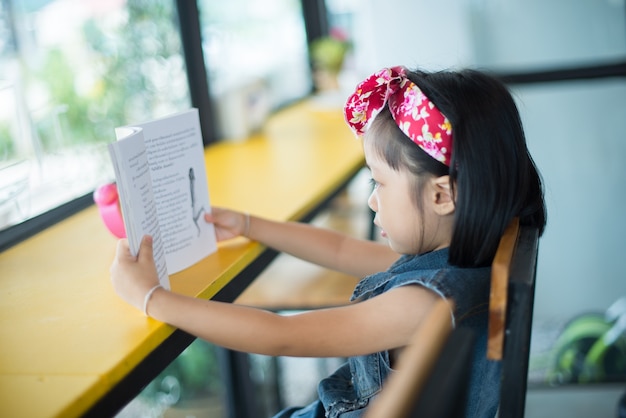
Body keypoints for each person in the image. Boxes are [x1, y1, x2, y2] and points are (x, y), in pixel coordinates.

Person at [110, 66, 546, 418]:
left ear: (441, 195)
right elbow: (341, 250)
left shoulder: (425, 304)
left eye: (379, 182)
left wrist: (150, 298)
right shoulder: (462, 261)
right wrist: (248, 224)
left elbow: (281, 335)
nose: (373, 200)